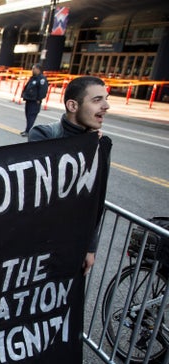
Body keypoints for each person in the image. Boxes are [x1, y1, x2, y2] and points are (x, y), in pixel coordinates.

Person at [29, 75, 112, 276]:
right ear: (73, 105)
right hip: (36, 242)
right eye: (97, 100)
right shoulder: (43, 134)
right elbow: (46, 186)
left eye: (106, 98)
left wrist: (90, 248)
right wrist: (85, 144)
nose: (106, 106)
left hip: (73, 245)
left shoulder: (101, 144)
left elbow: (95, 200)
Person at [20, 63, 48, 136]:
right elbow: (27, 87)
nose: (32, 70)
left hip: (35, 101)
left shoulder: (42, 79)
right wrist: (24, 94)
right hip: (29, 99)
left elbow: (43, 90)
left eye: (34, 69)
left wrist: (39, 99)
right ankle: (27, 130)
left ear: (38, 69)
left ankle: (28, 131)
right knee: (27, 115)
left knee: (31, 116)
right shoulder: (33, 77)